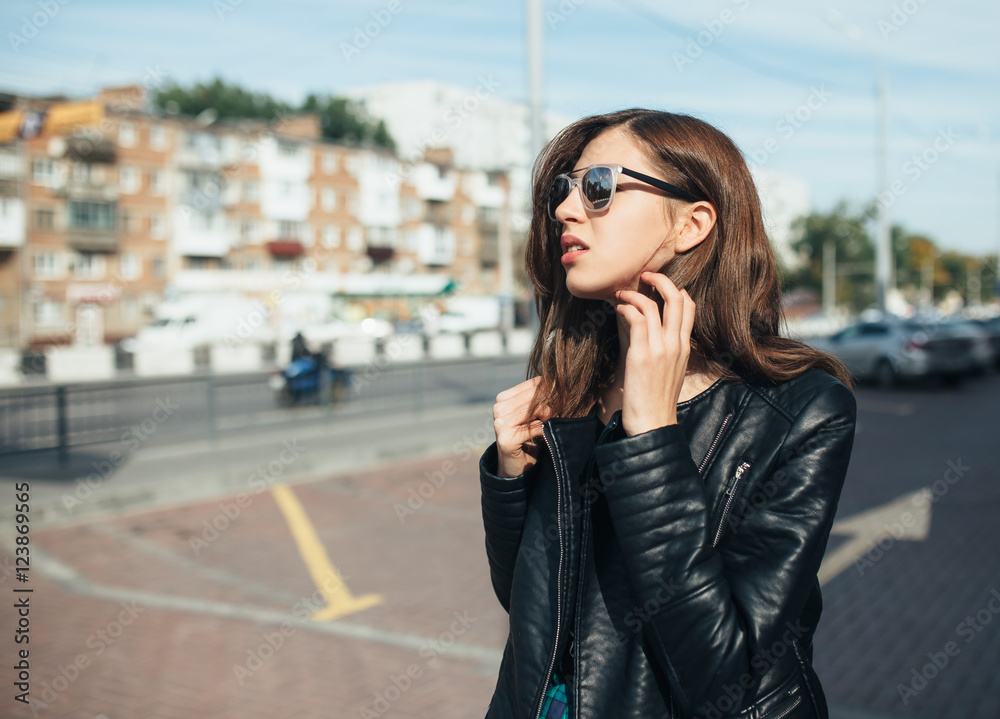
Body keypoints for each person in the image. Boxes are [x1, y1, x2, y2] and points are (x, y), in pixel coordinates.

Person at [480, 109, 858, 719]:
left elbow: (722, 677)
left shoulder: (801, 408)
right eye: (562, 190)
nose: (565, 211)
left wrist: (652, 435)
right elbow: (530, 610)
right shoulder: (575, 388)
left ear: (692, 223)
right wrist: (509, 472)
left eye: (598, 187)